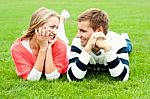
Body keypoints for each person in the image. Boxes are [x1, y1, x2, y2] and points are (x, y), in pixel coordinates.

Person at [67, 8, 132, 81]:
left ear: (99, 31)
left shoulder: (118, 41)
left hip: (119, 40)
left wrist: (107, 48)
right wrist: (87, 48)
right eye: (78, 30)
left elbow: (122, 77)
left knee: (128, 47)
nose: (77, 35)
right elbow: (72, 77)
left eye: (83, 31)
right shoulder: (78, 41)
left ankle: (126, 37)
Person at [10, 7, 70, 81]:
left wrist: (48, 47)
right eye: (52, 27)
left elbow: (52, 78)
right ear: (37, 26)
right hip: (51, 40)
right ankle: (62, 19)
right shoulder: (17, 49)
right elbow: (32, 79)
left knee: (63, 39)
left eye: (56, 27)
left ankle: (62, 20)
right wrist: (43, 48)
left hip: (68, 52)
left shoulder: (61, 45)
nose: (55, 32)